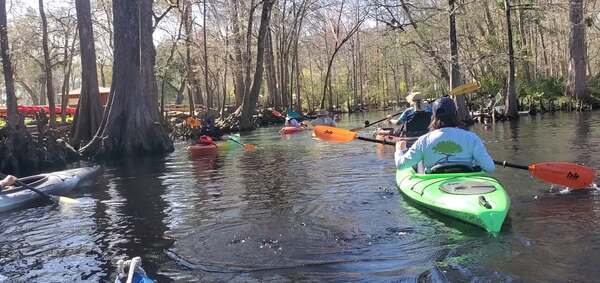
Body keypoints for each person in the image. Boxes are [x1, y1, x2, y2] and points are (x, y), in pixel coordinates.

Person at [395, 97, 495, 173]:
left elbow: (401, 165)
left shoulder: (423, 140)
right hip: (467, 184)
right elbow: (490, 168)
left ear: (433, 117)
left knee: (419, 163)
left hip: (434, 185)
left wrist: (399, 150)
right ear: (455, 114)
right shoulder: (472, 138)